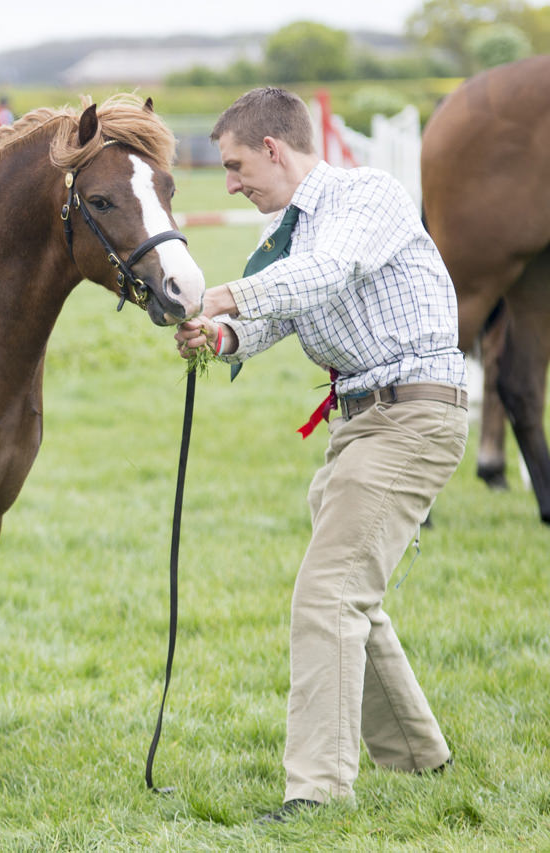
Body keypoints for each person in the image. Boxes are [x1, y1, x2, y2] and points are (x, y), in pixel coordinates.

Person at [174, 87, 467, 822]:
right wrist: (224, 336)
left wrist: (226, 295)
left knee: (328, 595)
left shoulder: (367, 195)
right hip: (359, 424)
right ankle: (418, 755)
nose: (232, 183)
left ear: (274, 148)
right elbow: (285, 311)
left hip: (411, 416)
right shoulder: (296, 232)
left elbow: (326, 274)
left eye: (237, 165)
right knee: (348, 598)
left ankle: (317, 792)